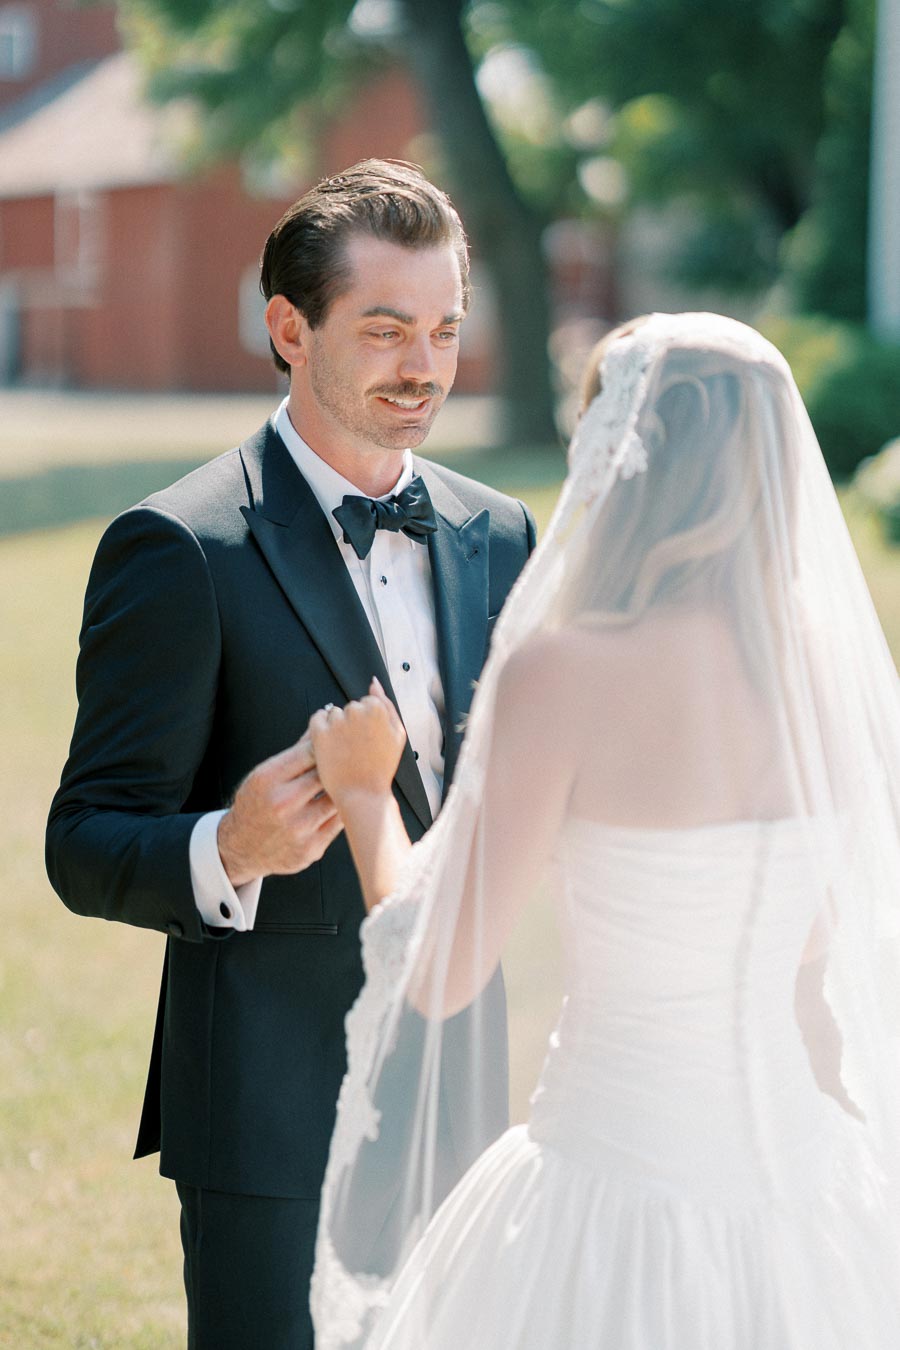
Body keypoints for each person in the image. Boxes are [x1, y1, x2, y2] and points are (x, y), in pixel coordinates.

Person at [308, 312, 900, 1348]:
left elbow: (443, 969)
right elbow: (814, 970)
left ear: (619, 464)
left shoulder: (566, 673)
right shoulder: (820, 674)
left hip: (610, 1179)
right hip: (804, 1191)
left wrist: (366, 798)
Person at [45, 159, 535, 1349]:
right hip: (267, 1123)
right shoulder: (178, 547)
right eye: (383, 330)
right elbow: (84, 841)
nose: (424, 366)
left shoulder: (498, 531)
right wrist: (229, 847)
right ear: (286, 326)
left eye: (444, 330)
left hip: (461, 1100)